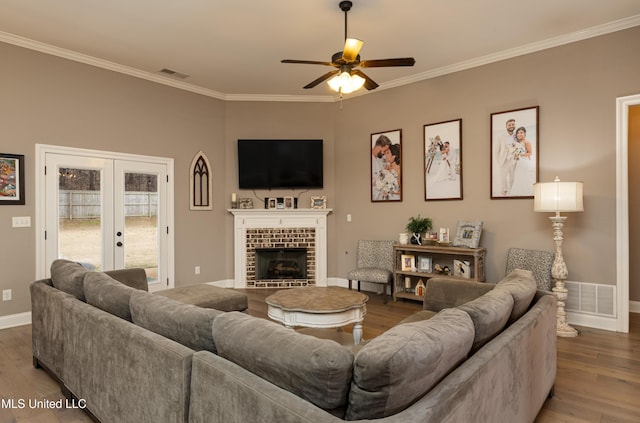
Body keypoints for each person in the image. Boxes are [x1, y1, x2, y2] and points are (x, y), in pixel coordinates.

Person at [495, 118, 517, 196]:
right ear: (506, 126)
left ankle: (510, 190)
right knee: (503, 177)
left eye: (513, 124)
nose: (511, 126)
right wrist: (499, 161)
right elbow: (496, 150)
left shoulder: (517, 136)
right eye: (509, 125)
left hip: (513, 161)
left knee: (512, 177)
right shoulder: (501, 136)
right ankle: (504, 191)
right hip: (503, 160)